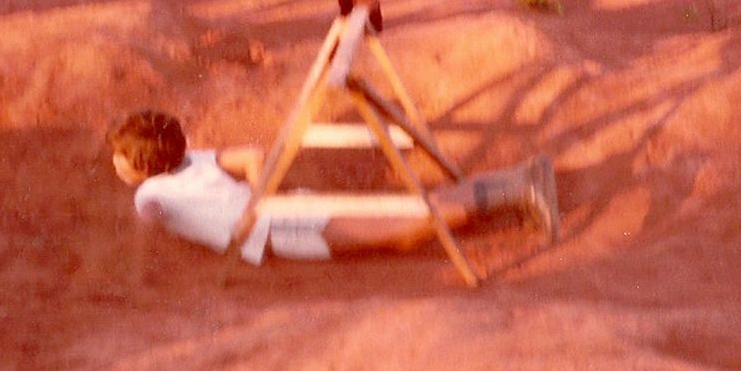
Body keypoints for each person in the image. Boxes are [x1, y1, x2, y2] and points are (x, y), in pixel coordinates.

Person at [107, 109, 559, 265]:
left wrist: (254, 213)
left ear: (144, 165)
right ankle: (517, 177)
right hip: (289, 209)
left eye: (121, 156)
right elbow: (251, 156)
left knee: (403, 229)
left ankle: (520, 191)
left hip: (283, 230)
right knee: (405, 212)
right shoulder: (193, 159)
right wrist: (262, 197)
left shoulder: (149, 195)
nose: (115, 162)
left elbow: (149, 217)